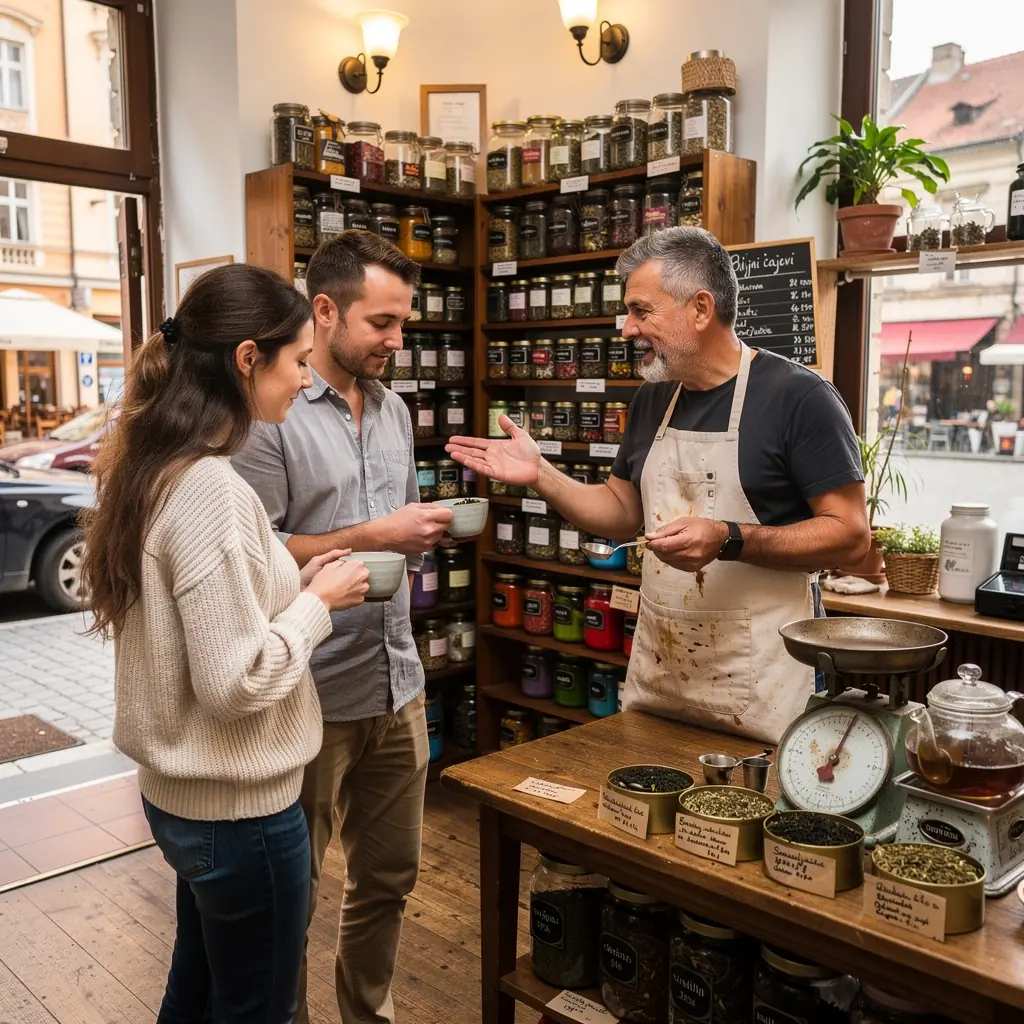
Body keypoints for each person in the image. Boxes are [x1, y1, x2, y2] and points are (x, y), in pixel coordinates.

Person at [81, 263, 371, 1023]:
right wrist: (317, 603)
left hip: (187, 806)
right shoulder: (212, 488)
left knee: (199, 991)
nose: (306, 381)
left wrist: (296, 578)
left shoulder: (154, 468)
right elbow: (234, 683)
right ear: (248, 358)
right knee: (256, 1010)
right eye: (299, 361)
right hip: (240, 818)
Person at [447, 228, 871, 744]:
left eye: (640, 310)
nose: (626, 328)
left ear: (699, 308)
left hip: (768, 679)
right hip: (665, 673)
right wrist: (541, 475)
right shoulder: (652, 400)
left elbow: (850, 536)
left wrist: (728, 538)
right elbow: (621, 511)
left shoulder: (800, 398)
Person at [233, 231, 453, 1024]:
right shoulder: (270, 417)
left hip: (397, 682)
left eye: (405, 323)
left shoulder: (394, 410)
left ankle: (369, 1015)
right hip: (311, 694)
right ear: (325, 312)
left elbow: (390, 531)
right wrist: (375, 536)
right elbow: (257, 555)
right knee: (294, 894)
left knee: (389, 880)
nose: (400, 341)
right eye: (383, 323)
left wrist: (414, 532)